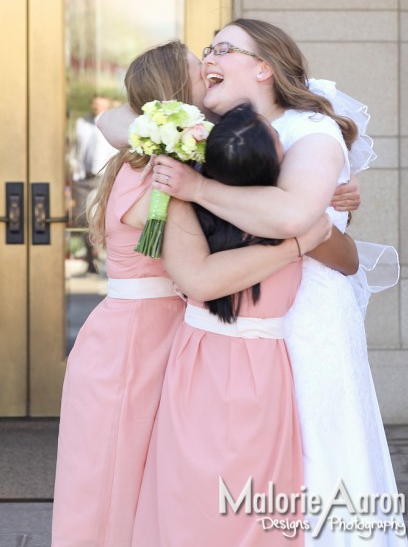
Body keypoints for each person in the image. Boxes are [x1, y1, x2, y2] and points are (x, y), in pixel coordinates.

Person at [51, 40, 331, 547]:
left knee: (139, 490)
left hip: (149, 335)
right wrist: (299, 230)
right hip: (133, 347)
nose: (211, 72)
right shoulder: (166, 169)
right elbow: (203, 268)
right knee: (110, 488)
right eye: (199, 73)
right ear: (177, 96)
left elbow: (117, 121)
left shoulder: (153, 154)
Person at [147, 19, 407, 545]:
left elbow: (293, 216)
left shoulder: (311, 131)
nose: (209, 59)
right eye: (208, 49)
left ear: (264, 67)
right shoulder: (198, 130)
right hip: (234, 324)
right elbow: (117, 119)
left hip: (304, 319)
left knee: (316, 457)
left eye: (223, 48)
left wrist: (196, 188)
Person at [131, 102, 320, 546]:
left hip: (207, 360)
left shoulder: (285, 215)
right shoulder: (292, 223)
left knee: (200, 493)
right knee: (253, 499)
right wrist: (298, 244)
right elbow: (200, 279)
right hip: (247, 364)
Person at [71, 95, 118, 272]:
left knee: (102, 217)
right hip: (83, 176)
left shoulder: (111, 124)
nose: (97, 105)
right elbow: (78, 148)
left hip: (103, 176)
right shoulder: (82, 124)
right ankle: (90, 259)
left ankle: (106, 259)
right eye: (95, 102)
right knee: (82, 217)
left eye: (101, 101)